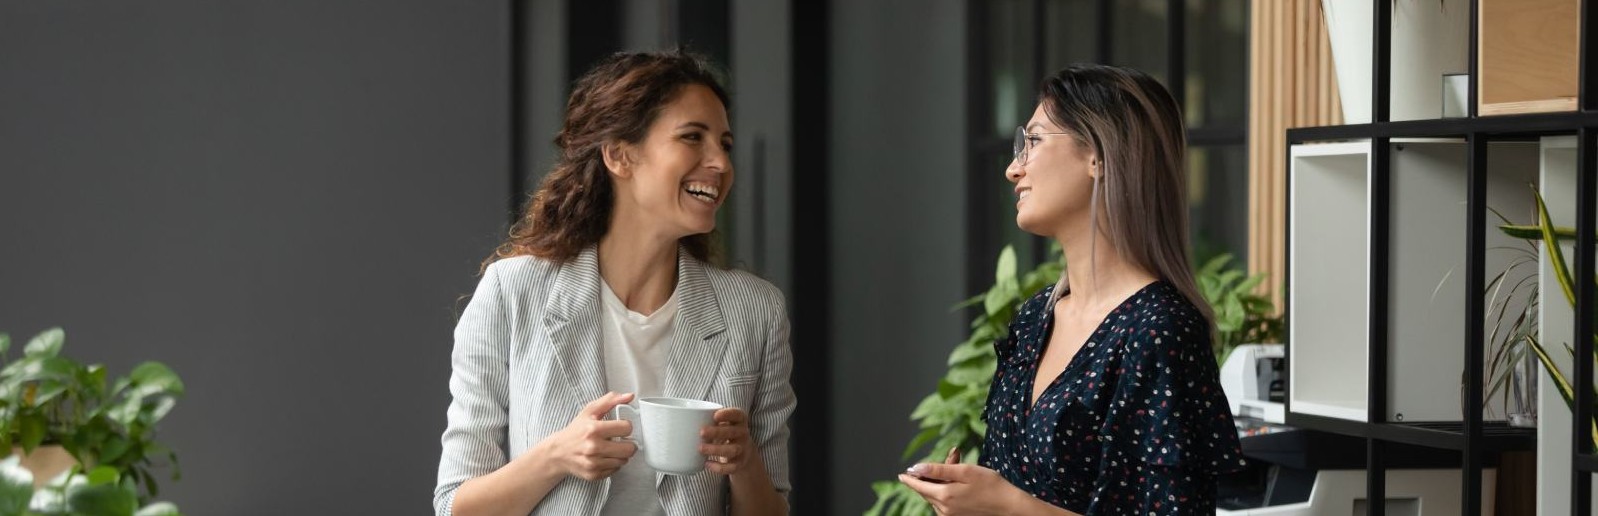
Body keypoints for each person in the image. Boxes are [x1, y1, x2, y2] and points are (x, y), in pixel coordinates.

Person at [433, 50, 794, 516]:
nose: (720, 163)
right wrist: (557, 455)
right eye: (692, 137)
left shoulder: (756, 311)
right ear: (620, 155)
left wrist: (744, 463)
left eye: (724, 143)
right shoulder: (513, 292)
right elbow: (454, 506)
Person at [899, 64, 1245, 515]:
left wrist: (1007, 506)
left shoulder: (1159, 331)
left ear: (1099, 154)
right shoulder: (1035, 317)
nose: (1012, 169)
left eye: (1034, 142)